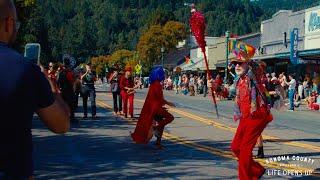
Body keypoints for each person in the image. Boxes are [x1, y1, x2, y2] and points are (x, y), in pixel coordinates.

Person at [0, 1, 70, 179]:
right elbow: (61, 124)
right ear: (8, 23)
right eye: (16, 24)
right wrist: (50, 84)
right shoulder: (25, 69)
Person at [230, 42, 273, 179]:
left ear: (247, 64)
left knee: (244, 153)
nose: (236, 66)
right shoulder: (239, 80)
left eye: (240, 63)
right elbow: (228, 92)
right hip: (245, 117)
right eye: (235, 63)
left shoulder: (253, 76)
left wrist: (247, 58)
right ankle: (257, 170)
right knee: (235, 147)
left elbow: (257, 68)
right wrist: (214, 87)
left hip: (256, 117)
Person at [131, 66, 175, 148]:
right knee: (170, 118)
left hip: (153, 108)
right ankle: (155, 128)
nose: (164, 75)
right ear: (159, 74)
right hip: (156, 109)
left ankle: (158, 142)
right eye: (162, 73)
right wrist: (169, 103)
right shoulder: (157, 85)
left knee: (161, 123)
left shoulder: (153, 84)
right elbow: (160, 99)